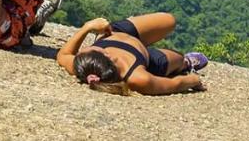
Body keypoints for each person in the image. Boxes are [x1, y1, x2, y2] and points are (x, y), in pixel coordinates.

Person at [56, 13, 209, 96]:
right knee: (179, 59)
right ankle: (187, 63)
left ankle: (134, 21)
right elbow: (173, 85)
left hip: (118, 32)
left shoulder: (83, 65)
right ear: (110, 58)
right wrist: (193, 80)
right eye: (97, 49)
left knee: (169, 20)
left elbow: (63, 55)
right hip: (148, 59)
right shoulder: (138, 77)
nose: (86, 49)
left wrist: (88, 27)